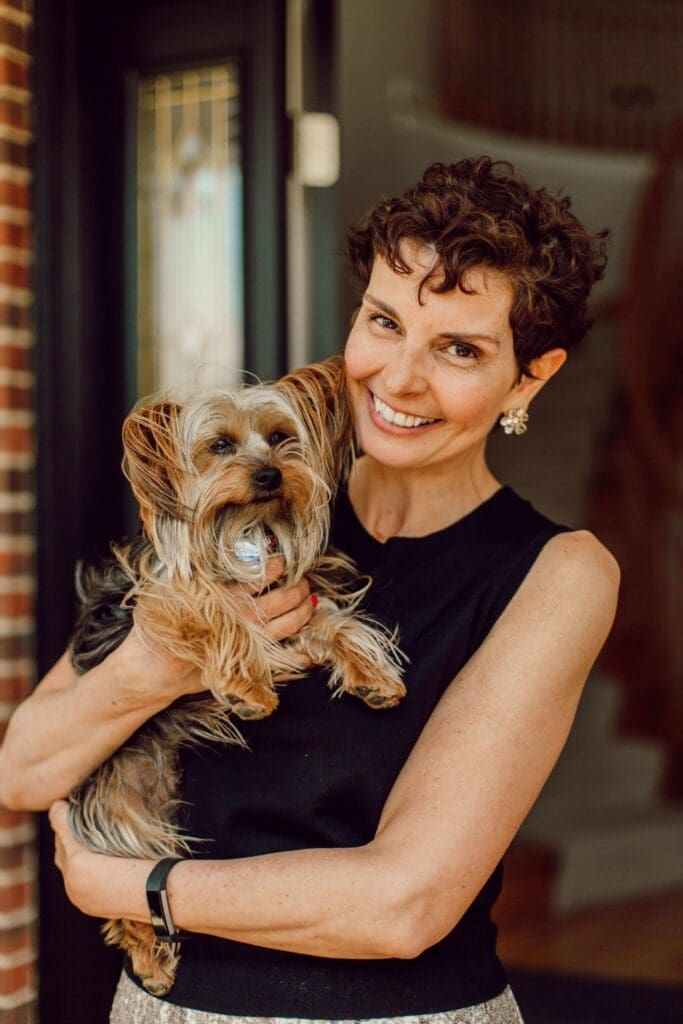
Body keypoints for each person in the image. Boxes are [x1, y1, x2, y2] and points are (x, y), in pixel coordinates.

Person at [0, 157, 620, 1023]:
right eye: (383, 322)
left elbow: (401, 905)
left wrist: (137, 887)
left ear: (530, 376)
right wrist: (157, 664)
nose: (399, 379)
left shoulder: (555, 574)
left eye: (459, 348)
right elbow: (24, 768)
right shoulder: (245, 510)